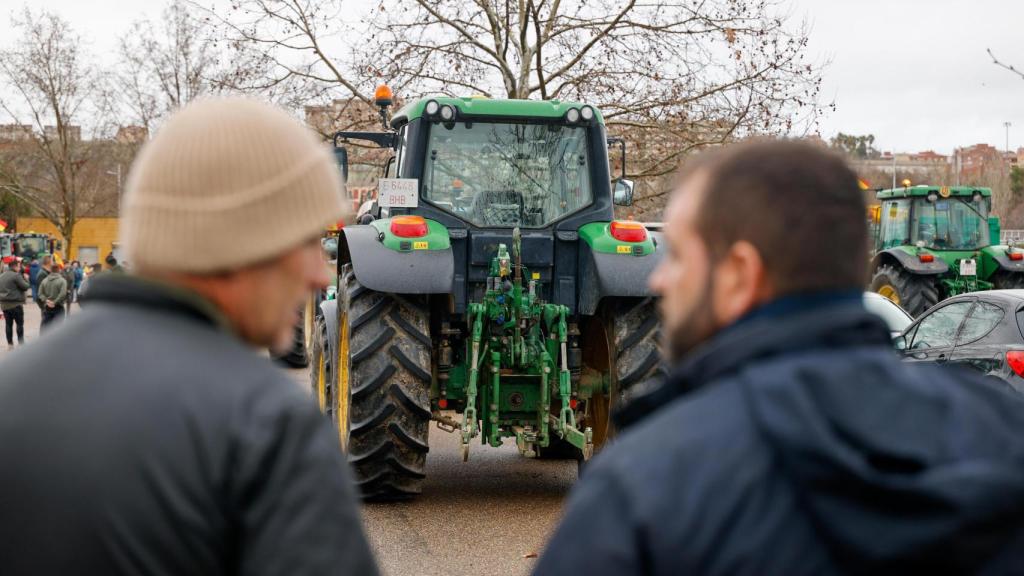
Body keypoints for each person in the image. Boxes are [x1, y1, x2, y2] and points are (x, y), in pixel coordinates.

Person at [535, 141, 1024, 575]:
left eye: (679, 257)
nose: (660, 281)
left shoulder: (644, 487)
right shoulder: (1003, 433)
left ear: (739, 274)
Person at [0, 97, 378, 575]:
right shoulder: (264, 426)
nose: (320, 275)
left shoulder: (11, 391)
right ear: (243, 240)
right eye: (305, 241)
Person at [0, 259, 30, 347]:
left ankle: (10, 344)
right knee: (19, 324)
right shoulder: (16, 276)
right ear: (15, 266)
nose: (20, 268)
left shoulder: (1, 276)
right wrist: (26, 279)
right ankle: (21, 343)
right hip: (16, 304)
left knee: (8, 325)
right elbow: (25, 287)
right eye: (19, 266)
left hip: (4, 305)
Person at [36, 262, 67, 332]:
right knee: (59, 328)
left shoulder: (44, 280)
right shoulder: (62, 281)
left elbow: (40, 293)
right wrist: (54, 302)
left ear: (50, 270)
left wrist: (47, 301)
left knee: (45, 327)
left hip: (47, 307)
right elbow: (63, 294)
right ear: (59, 270)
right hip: (59, 306)